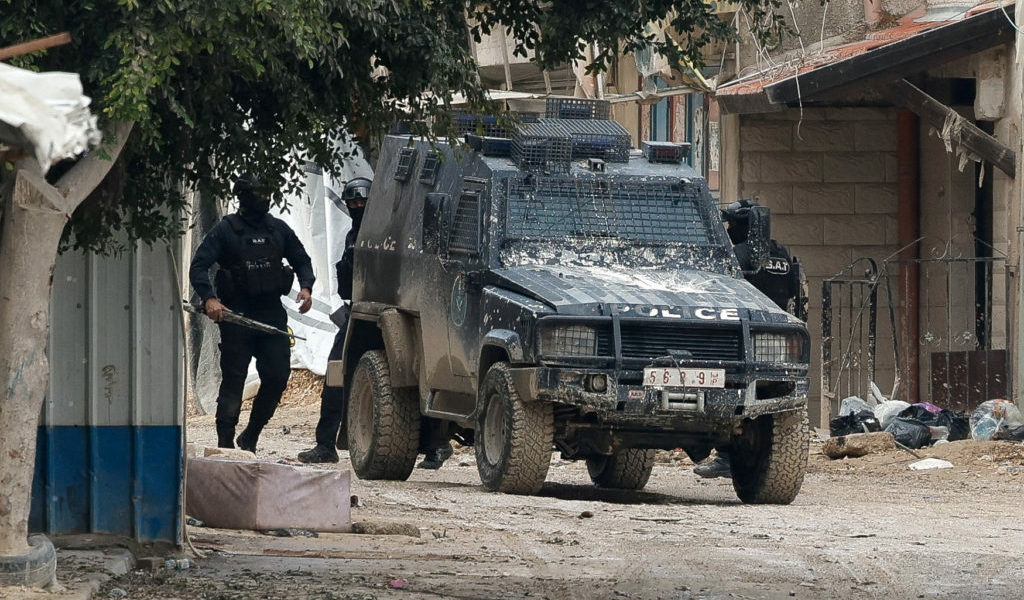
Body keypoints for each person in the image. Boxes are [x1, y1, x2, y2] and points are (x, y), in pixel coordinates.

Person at [190, 173, 315, 452]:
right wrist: (209, 299)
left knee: (277, 376)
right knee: (234, 378)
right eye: (259, 193)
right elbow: (199, 266)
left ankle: (251, 436)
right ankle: (225, 444)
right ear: (245, 196)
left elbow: (301, 259)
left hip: (271, 314)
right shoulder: (225, 230)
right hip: (236, 315)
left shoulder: (277, 229)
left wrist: (306, 287)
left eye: (268, 192)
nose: (266, 198)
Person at [694, 199, 802, 479]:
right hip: (774, 337)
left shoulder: (738, 254)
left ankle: (726, 458)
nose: (728, 230)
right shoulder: (779, 252)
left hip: (741, 335)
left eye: (731, 224)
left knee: (732, 396)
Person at [297, 177, 372, 464]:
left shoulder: (385, 232)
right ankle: (326, 443)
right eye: (352, 203)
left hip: (382, 313)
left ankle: (435, 445)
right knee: (335, 373)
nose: (356, 207)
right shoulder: (353, 235)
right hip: (357, 312)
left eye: (361, 201)